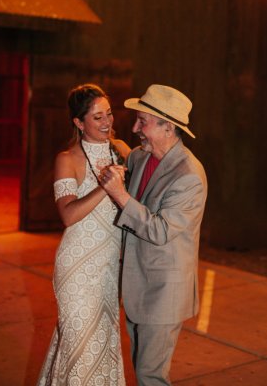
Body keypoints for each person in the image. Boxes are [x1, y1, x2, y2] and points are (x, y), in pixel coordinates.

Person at [101, 84, 207, 386]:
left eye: (142, 122)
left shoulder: (189, 176)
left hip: (164, 293)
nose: (135, 128)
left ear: (168, 127)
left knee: (150, 375)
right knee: (141, 368)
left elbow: (160, 231)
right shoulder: (140, 157)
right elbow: (125, 154)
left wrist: (121, 196)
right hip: (138, 285)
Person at [37, 83, 130, 386]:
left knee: (102, 343)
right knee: (79, 346)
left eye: (109, 114)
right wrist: (105, 186)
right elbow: (68, 214)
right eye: (97, 118)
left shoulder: (122, 151)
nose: (108, 123)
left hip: (109, 266)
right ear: (78, 122)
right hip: (77, 267)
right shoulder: (67, 159)